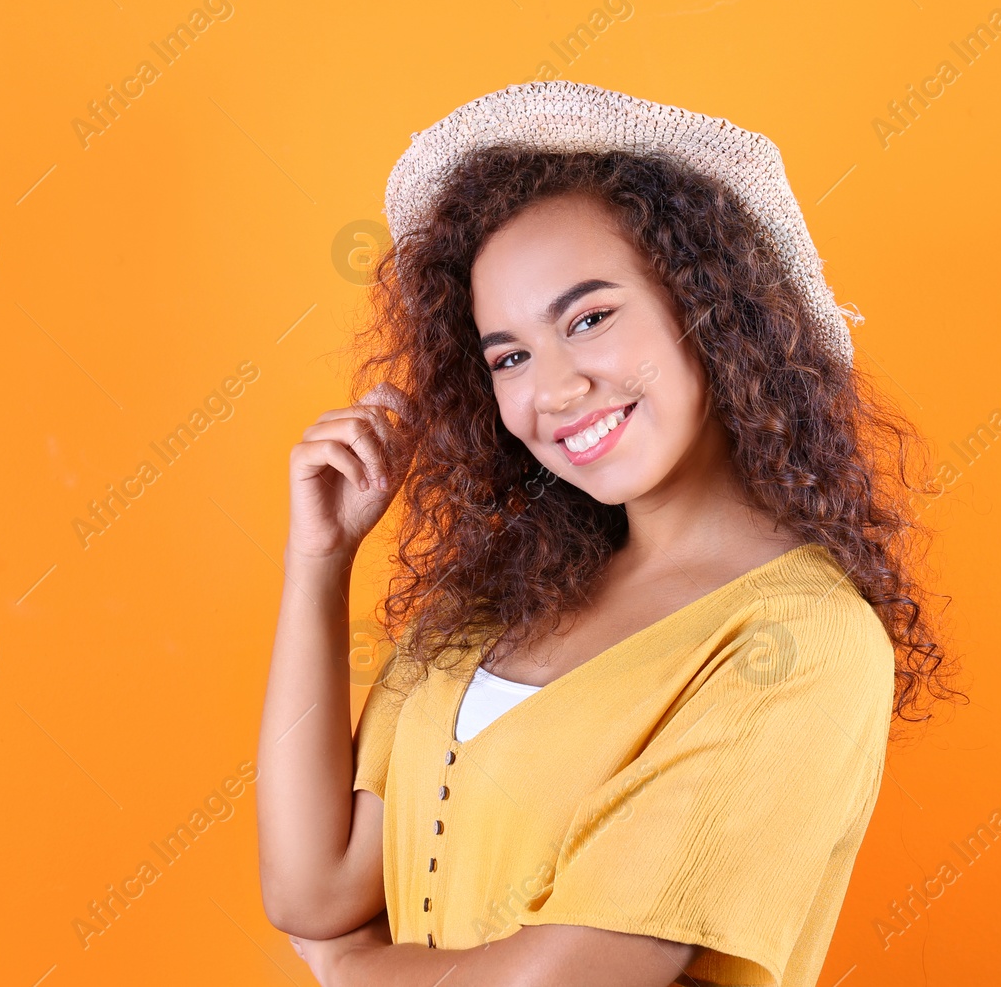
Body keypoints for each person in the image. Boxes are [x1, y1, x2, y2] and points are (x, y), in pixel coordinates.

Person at [255, 80, 960, 987]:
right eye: (508, 354)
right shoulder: (492, 607)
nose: (553, 388)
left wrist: (352, 971)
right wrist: (317, 563)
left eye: (589, 317)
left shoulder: (801, 641)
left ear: (706, 309)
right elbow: (312, 891)